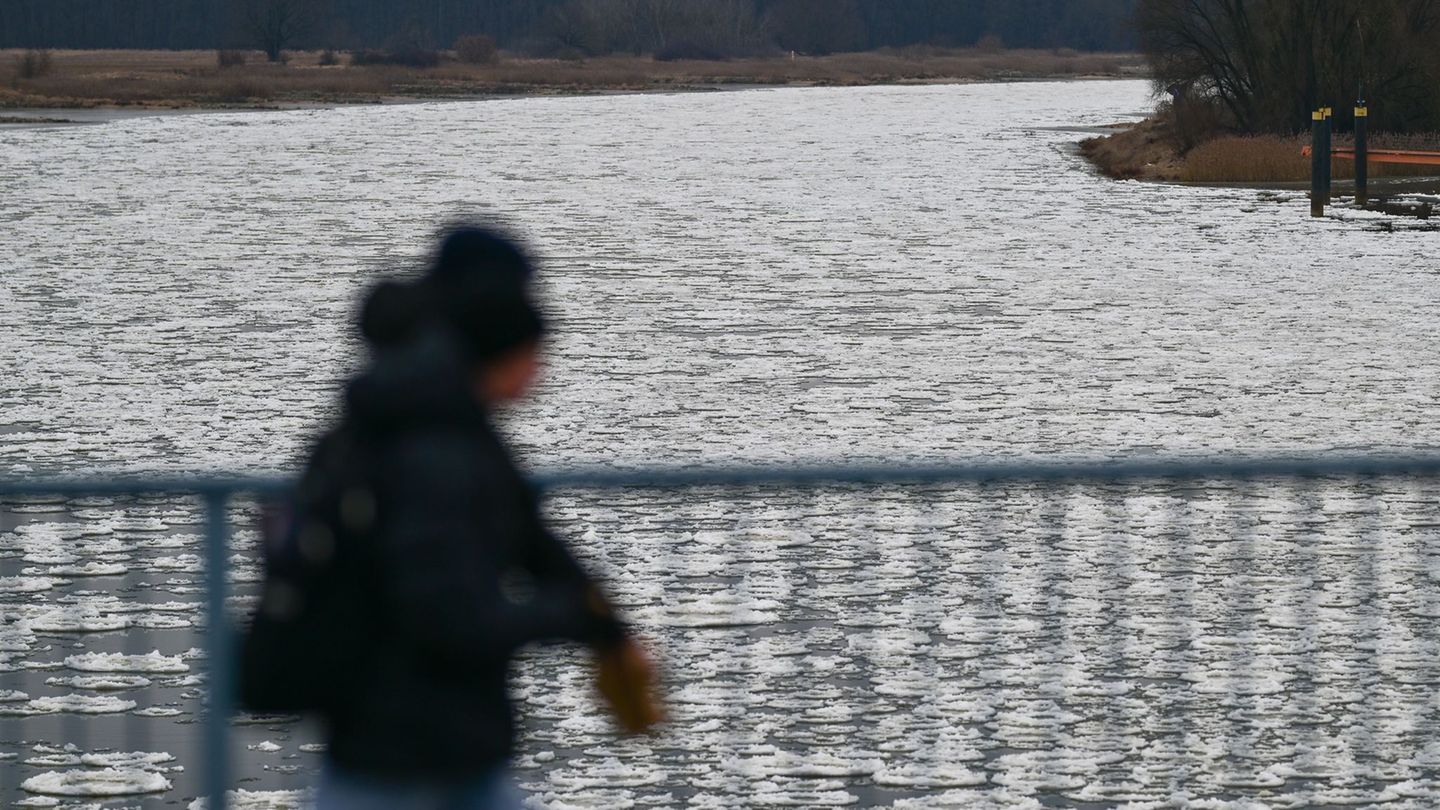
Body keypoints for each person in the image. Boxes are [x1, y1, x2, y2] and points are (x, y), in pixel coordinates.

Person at [244, 227, 661, 810]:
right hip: (403, 747)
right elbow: (445, 613)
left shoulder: (440, 418)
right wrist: (573, 617)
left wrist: (604, 626)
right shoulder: (435, 445)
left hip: (431, 741)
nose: (541, 373)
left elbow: (526, 533)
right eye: (535, 350)